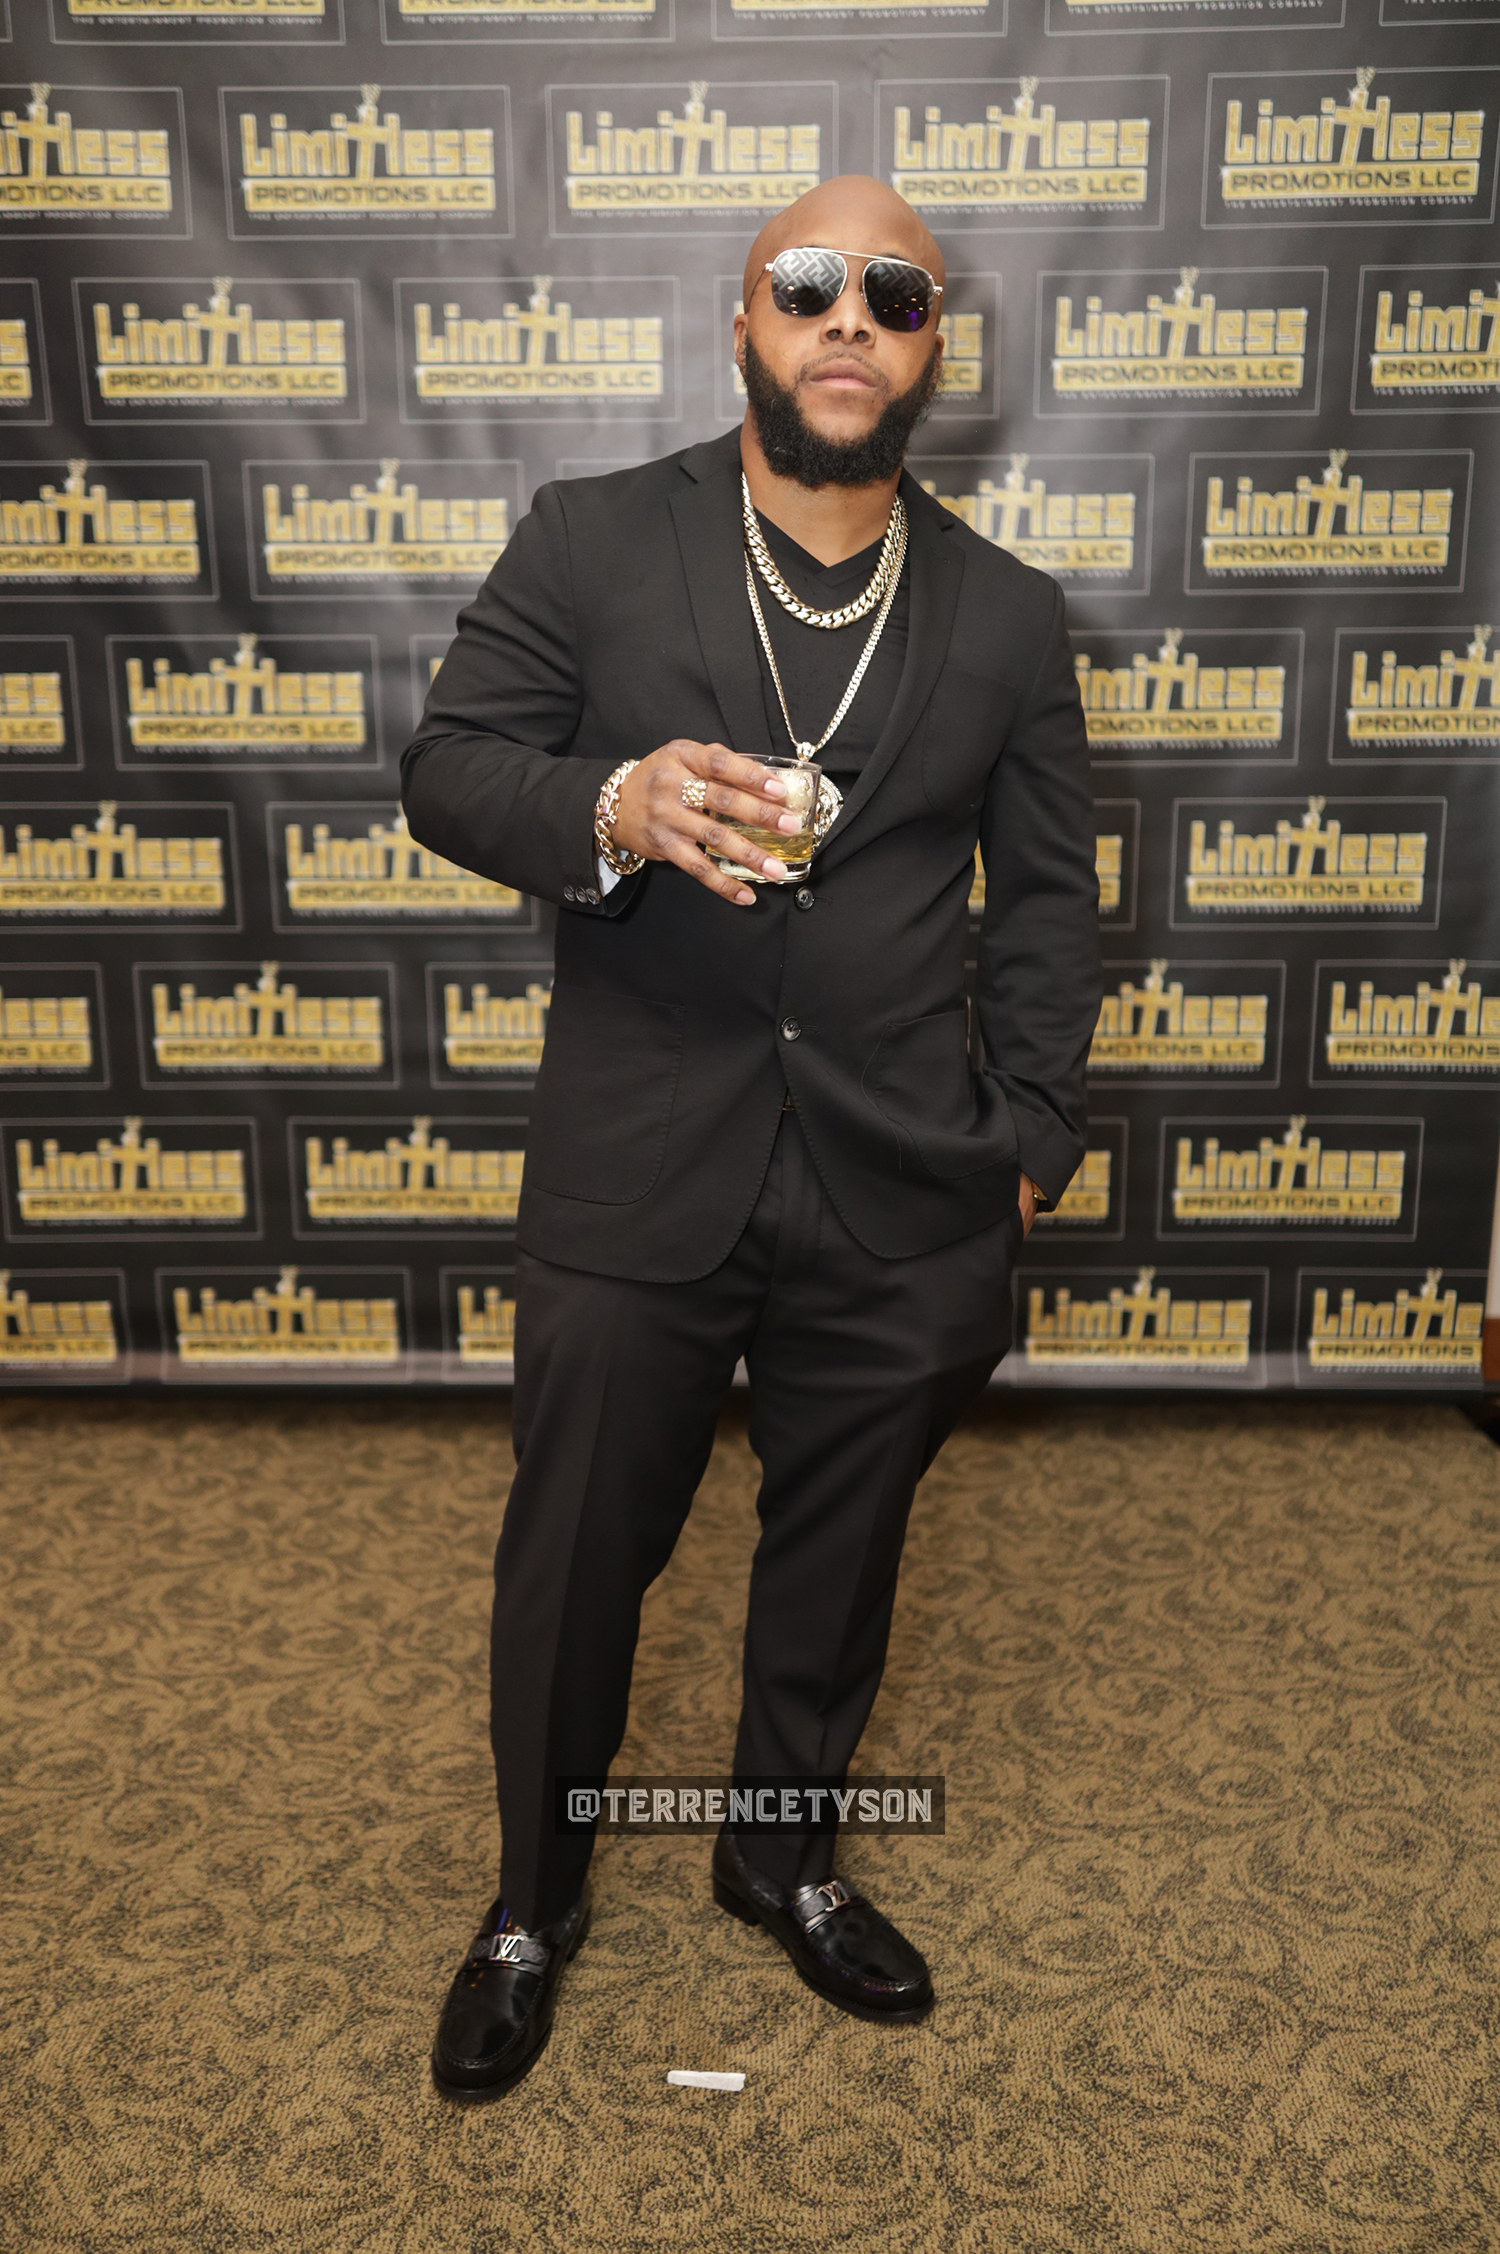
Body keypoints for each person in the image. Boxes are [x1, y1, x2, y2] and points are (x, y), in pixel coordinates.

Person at [401, 173, 1102, 2101]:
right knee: (573, 1564)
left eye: (894, 292)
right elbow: (448, 766)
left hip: (904, 1175)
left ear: (935, 345)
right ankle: (534, 1897)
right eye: (807, 286)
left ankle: (777, 1854)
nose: (848, 316)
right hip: (642, 1150)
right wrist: (611, 804)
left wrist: (1030, 1138)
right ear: (745, 325)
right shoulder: (594, 536)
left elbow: (1049, 905)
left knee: (842, 1555)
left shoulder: (1011, 613)